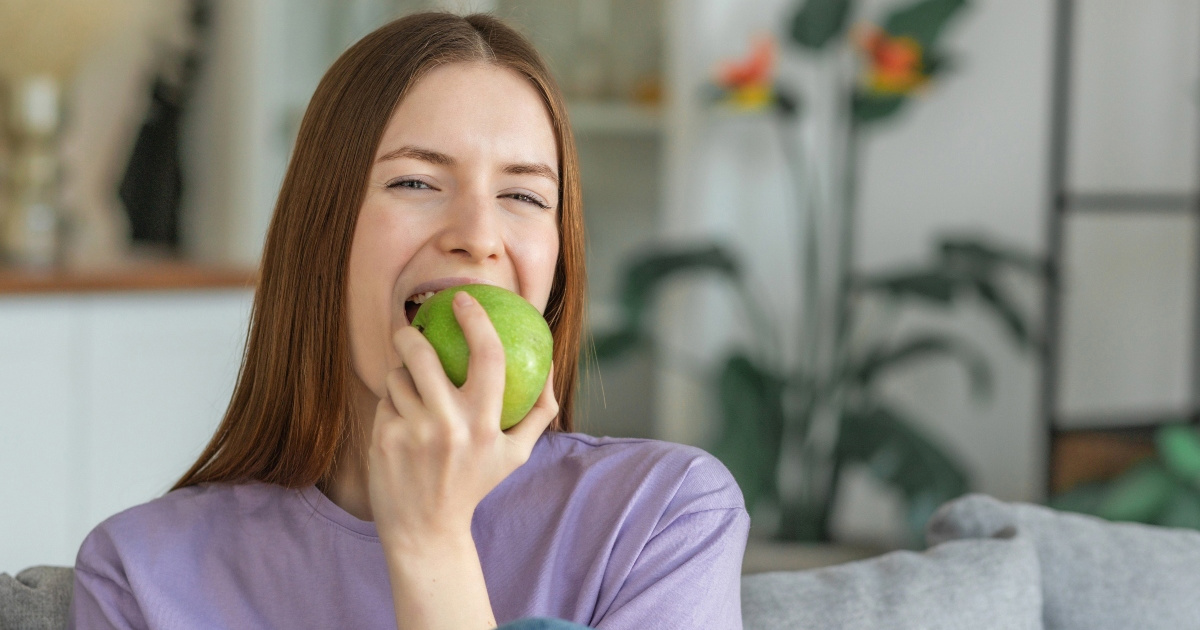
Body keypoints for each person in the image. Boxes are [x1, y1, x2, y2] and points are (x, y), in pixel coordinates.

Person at [69, 11, 749, 630]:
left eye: (522, 194)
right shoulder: (140, 576)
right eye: (415, 182)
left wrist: (432, 540)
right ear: (319, 234)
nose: (478, 234)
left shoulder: (663, 518)